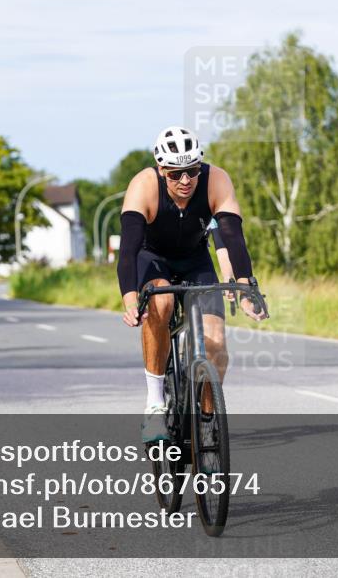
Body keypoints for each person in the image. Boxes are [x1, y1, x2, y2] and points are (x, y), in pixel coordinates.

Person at [118, 126, 264, 442]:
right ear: (161, 170)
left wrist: (247, 288)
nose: (185, 181)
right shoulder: (143, 186)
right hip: (152, 259)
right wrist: (130, 300)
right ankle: (155, 404)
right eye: (175, 174)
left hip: (196, 262)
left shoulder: (216, 180)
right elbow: (128, 250)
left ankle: (207, 422)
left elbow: (233, 236)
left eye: (192, 171)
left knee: (216, 345)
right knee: (162, 304)